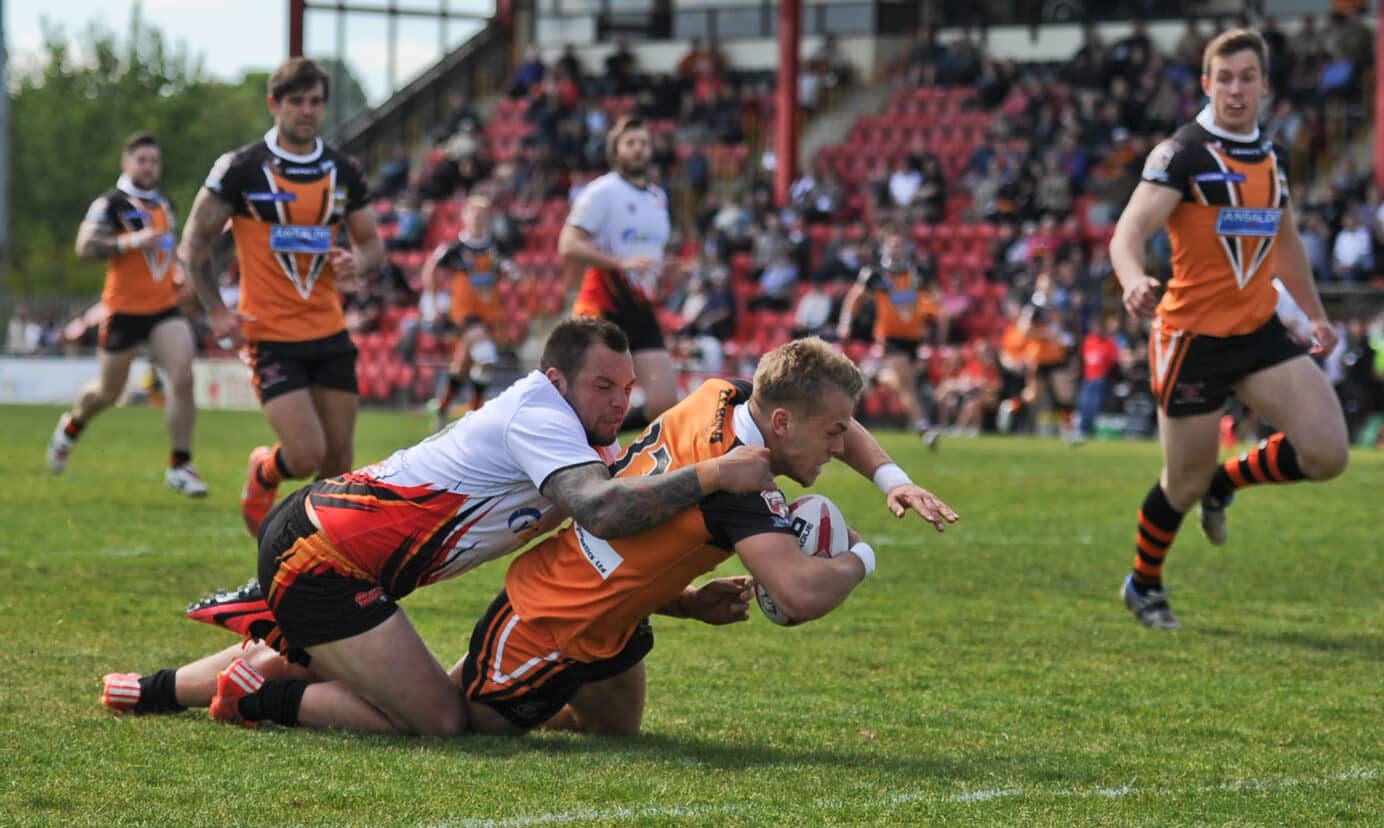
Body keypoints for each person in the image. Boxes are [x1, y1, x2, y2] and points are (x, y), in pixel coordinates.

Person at [100, 317, 778, 731]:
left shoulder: (580, 439)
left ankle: (153, 689)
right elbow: (604, 513)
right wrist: (716, 474)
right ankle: (259, 703)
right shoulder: (541, 417)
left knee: (332, 647)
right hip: (326, 554)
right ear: (556, 379)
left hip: (334, 544)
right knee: (440, 719)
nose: (619, 399)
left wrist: (683, 603)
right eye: (604, 385)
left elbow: (608, 543)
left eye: (627, 388)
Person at [458, 338, 958, 736]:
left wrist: (895, 481)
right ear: (781, 423)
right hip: (548, 620)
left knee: (614, 732)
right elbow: (799, 596)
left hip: (615, 619)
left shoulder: (727, 394)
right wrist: (862, 554)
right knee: (454, 725)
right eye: (832, 433)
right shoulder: (739, 489)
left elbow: (641, 544)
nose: (837, 445)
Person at [1109, 29, 1348, 630]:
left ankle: (1227, 481)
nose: (1236, 89)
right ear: (1206, 83)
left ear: (1265, 86)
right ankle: (1144, 584)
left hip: (1257, 333)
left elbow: (1285, 239)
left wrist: (1315, 313)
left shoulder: (1272, 156)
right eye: (1225, 77)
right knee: (1180, 483)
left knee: (1327, 453)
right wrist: (1133, 277)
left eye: (1247, 78)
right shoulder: (1183, 153)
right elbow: (1128, 232)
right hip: (1191, 340)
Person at [178, 58, 384, 537]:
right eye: (296, 102)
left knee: (337, 463)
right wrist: (215, 310)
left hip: (330, 332)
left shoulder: (343, 169)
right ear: (275, 104)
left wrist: (361, 263)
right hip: (269, 335)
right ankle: (264, 470)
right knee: (307, 452)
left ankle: (313, 560)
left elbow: (371, 243)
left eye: (315, 102)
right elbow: (195, 241)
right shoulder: (241, 168)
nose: (307, 111)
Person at [47, 132, 207, 496]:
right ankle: (71, 426)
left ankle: (180, 465)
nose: (149, 167)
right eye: (142, 161)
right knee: (108, 391)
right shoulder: (110, 203)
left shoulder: (165, 204)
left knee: (182, 376)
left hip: (164, 307)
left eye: (154, 161)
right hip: (123, 310)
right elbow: (84, 246)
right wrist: (128, 242)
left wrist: (178, 275)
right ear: (127, 163)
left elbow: (164, 255)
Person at [561, 116, 679, 431]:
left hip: (641, 306)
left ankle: (591, 435)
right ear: (616, 151)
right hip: (603, 304)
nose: (638, 149)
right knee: (594, 395)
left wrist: (666, 270)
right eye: (631, 143)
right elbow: (568, 244)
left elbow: (648, 253)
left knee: (664, 403)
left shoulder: (657, 197)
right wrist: (620, 264)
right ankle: (581, 443)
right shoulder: (601, 192)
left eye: (643, 143)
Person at [837, 225, 946, 444]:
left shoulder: (917, 272)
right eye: (892, 245)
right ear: (885, 248)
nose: (896, 249)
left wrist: (932, 314)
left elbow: (935, 299)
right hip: (891, 337)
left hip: (914, 337)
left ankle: (875, 377)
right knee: (907, 385)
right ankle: (924, 428)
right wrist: (846, 322)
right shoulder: (875, 274)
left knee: (907, 383)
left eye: (900, 245)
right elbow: (855, 297)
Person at [421, 194, 510, 428]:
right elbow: (431, 270)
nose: (478, 219)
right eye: (474, 214)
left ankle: (442, 408)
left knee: (462, 365)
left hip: (489, 313)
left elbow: (508, 272)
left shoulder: (496, 248)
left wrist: (512, 273)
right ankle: (476, 416)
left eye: (483, 215)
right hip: (463, 313)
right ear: (465, 217)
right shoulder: (456, 248)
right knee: (487, 357)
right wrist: (433, 303)